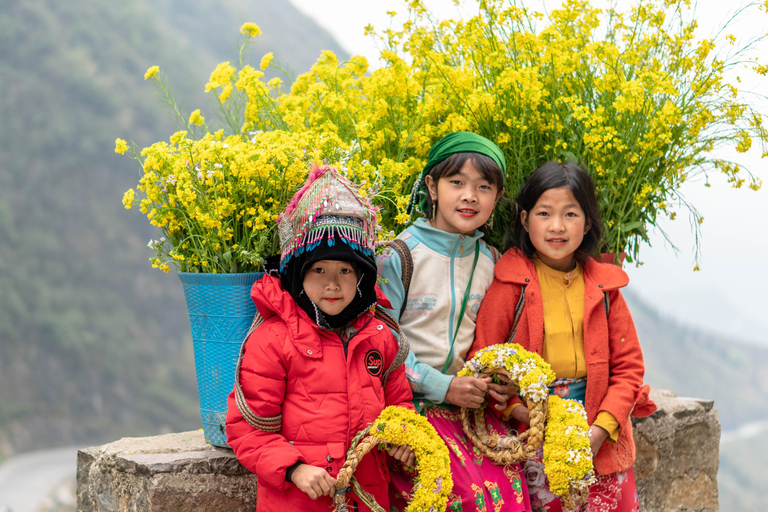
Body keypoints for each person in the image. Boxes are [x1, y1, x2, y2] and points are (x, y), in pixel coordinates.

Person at [226, 166, 415, 512]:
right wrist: (295, 469)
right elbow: (247, 428)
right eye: (319, 270)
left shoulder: (379, 337)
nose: (333, 284)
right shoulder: (273, 341)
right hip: (299, 501)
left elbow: (399, 407)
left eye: (345, 270)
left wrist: (403, 439)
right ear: (298, 275)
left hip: (368, 496)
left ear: (361, 276)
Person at [473, 161, 657, 511]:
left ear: (587, 222)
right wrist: (527, 415)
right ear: (525, 220)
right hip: (530, 434)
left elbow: (630, 368)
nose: (557, 227)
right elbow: (485, 361)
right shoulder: (510, 285)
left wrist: (597, 432)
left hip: (598, 433)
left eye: (570, 214)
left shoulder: (605, 289)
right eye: (544, 213)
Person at [378, 131, 532, 511]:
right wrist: (442, 385)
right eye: (456, 183)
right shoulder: (399, 256)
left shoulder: (492, 261)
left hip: (471, 412)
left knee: (514, 495)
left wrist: (502, 378)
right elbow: (380, 342)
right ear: (431, 186)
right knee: (461, 500)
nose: (470, 196)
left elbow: (497, 340)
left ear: (496, 198)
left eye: (484, 187)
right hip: (409, 408)